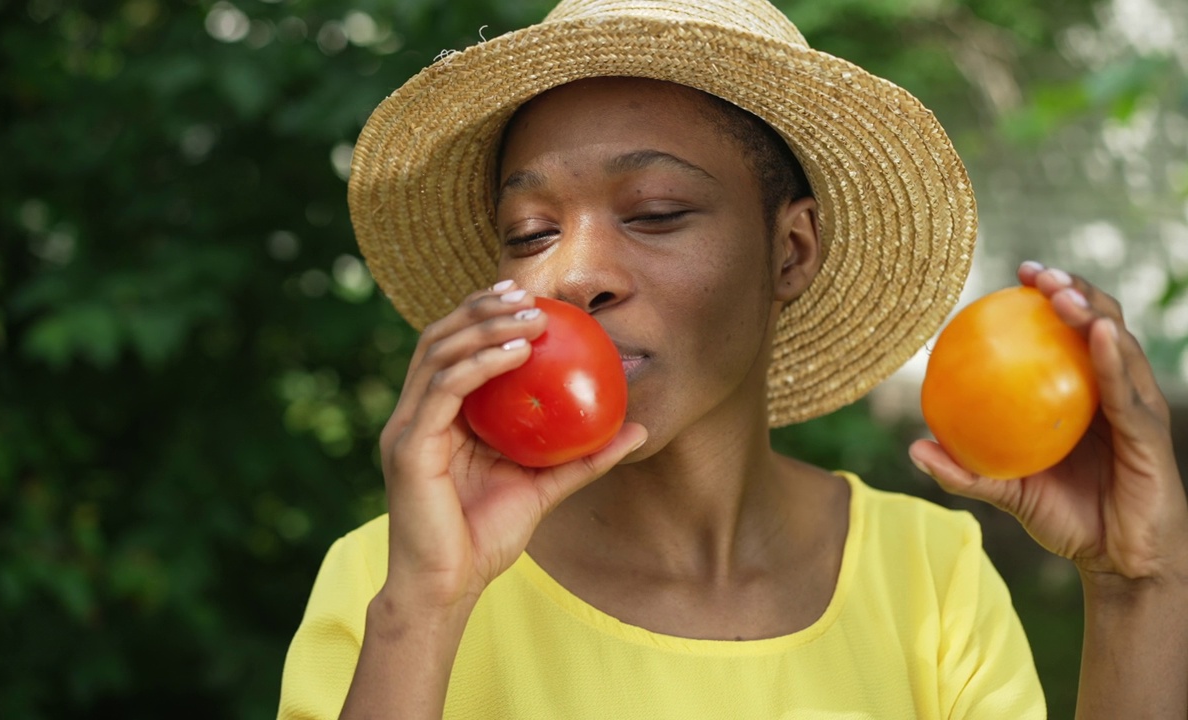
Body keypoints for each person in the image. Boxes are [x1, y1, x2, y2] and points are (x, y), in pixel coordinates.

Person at [278, 0, 1188, 717]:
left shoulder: (929, 579)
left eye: (657, 212)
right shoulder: (390, 583)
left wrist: (1138, 590)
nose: (574, 274)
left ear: (791, 251)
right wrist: (424, 611)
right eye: (530, 231)